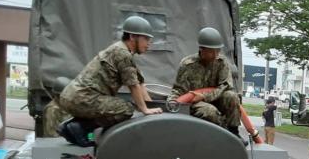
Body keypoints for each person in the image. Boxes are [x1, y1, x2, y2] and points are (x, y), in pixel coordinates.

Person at [58, 15, 162, 146]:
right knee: (126, 109)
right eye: (146, 39)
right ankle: (80, 127)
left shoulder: (121, 50)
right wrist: (145, 110)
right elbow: (133, 86)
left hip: (74, 97)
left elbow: (140, 84)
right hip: (82, 98)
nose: (149, 44)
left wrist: (151, 109)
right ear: (132, 37)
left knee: (115, 106)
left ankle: (70, 126)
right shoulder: (123, 54)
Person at [168, 27, 244, 137]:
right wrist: (172, 104)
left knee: (232, 96)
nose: (215, 54)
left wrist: (204, 96)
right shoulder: (187, 64)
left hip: (216, 99)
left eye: (217, 50)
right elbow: (179, 89)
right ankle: (225, 134)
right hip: (194, 103)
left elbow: (225, 86)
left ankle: (234, 132)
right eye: (211, 51)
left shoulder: (221, 63)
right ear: (202, 49)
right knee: (210, 111)